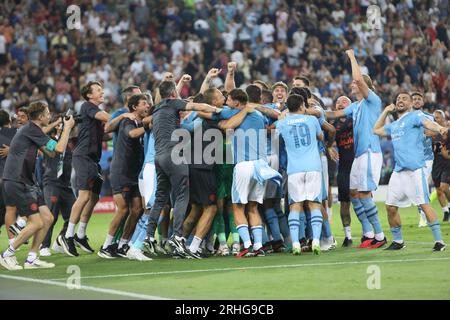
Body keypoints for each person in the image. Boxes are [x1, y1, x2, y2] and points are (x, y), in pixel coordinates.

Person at [144, 80, 222, 258]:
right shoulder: (174, 103)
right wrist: (215, 110)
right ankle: (178, 237)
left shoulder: (157, 108)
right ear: (173, 94)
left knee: (160, 198)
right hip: (174, 156)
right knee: (182, 197)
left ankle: (149, 236)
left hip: (158, 157)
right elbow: (197, 104)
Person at [60, 81, 133, 257]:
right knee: (84, 195)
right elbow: (108, 118)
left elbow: (105, 134)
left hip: (93, 160)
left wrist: (117, 130)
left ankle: (80, 234)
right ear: (89, 95)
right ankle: (67, 235)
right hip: (83, 157)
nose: (102, 92)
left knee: (93, 197)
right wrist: (123, 116)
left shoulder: (93, 114)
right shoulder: (87, 106)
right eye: (98, 90)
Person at [0, 101, 75, 270]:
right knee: (36, 222)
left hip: (28, 182)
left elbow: (51, 151)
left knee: (47, 218)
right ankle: (7, 255)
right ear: (40, 117)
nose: (49, 116)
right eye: (48, 113)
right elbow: (60, 148)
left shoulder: (32, 131)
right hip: (18, 180)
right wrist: (67, 127)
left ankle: (32, 258)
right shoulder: (31, 129)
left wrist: (60, 130)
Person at [326, 49, 386, 249]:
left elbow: (359, 80)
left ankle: (379, 235)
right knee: (353, 193)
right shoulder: (357, 106)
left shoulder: (372, 101)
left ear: (364, 86)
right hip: (360, 155)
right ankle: (368, 233)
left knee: (364, 193)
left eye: (355, 83)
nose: (352, 84)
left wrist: (352, 57)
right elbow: (335, 113)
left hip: (370, 152)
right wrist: (311, 112)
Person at [373, 92, 447, 251]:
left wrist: (440, 128)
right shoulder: (394, 125)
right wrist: (386, 111)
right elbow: (376, 130)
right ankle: (398, 241)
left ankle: (439, 241)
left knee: (424, 204)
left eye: (404, 98)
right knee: (390, 207)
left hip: (415, 170)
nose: (400, 100)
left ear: (411, 104)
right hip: (399, 172)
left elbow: (428, 123)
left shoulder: (414, 116)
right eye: (398, 98)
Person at [98, 93, 149, 259]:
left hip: (135, 172)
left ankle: (122, 245)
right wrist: (149, 126)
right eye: (144, 103)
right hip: (122, 171)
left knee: (137, 209)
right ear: (135, 107)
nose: (147, 106)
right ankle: (106, 246)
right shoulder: (127, 121)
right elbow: (132, 134)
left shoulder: (138, 121)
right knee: (123, 209)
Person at [275, 94, 324, 255]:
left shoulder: (282, 123)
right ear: (302, 105)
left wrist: (283, 116)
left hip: (294, 169)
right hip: (313, 167)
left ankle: (296, 243)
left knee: (295, 206)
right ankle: (316, 241)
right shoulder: (312, 120)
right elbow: (321, 136)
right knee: (314, 204)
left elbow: (276, 137)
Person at [40, 117, 77, 256]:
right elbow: (54, 150)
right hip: (52, 182)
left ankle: (59, 240)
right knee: (51, 215)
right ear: (56, 127)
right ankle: (44, 246)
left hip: (66, 185)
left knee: (74, 215)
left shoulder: (71, 142)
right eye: (61, 124)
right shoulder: (48, 141)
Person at [331, 96, 354, 246]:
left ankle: (370, 233)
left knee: (363, 200)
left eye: (344, 101)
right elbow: (329, 142)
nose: (340, 104)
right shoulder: (332, 125)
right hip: (344, 169)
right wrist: (329, 147)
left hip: (358, 166)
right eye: (338, 102)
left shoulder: (357, 119)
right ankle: (348, 236)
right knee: (344, 203)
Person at [411, 91, 435, 227]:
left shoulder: (429, 117)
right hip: (412, 157)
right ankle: (423, 214)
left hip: (426, 157)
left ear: (423, 102)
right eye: (414, 99)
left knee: (422, 185)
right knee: (416, 187)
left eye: (419, 99)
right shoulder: (406, 117)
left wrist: (418, 133)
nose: (416, 101)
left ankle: (423, 217)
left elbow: (433, 132)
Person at [430, 109, 450, 222]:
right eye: (434, 117)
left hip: (447, 163)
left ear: (443, 119)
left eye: (437, 117)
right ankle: (445, 211)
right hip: (436, 163)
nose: (435, 119)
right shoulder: (431, 132)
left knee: (444, 187)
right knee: (438, 190)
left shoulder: (448, 132)